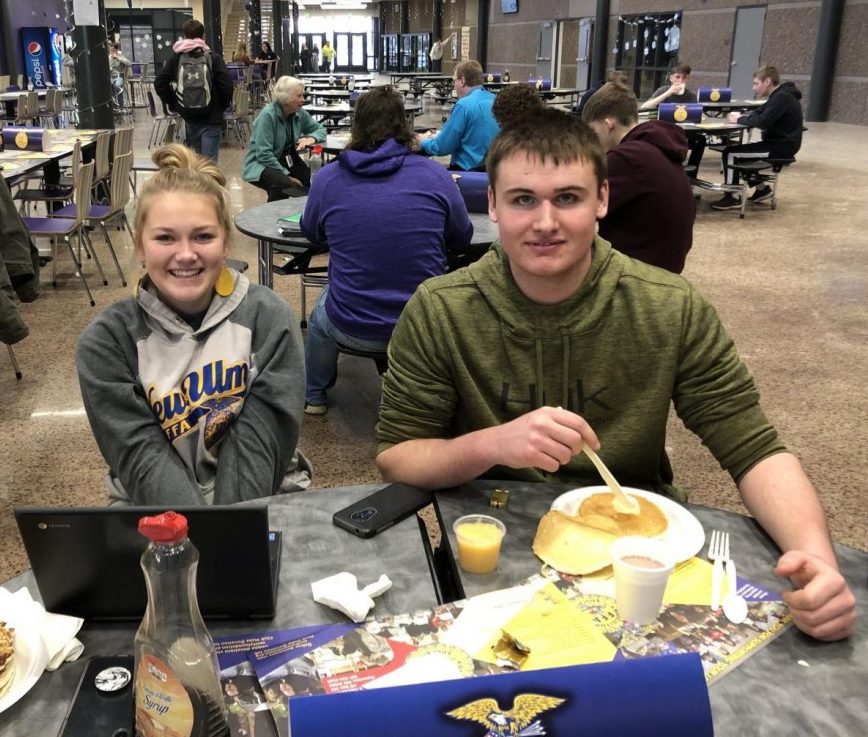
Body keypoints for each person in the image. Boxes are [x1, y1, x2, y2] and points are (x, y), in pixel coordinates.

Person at [374, 108, 856, 643]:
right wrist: (494, 443)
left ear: (602, 199)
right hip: (492, 549)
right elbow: (399, 456)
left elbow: (754, 447)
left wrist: (815, 560)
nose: (545, 222)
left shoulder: (668, 306)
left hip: (640, 555)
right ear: (492, 205)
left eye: (568, 197)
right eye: (522, 199)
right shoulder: (441, 309)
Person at [76, 144, 306, 505]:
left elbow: (261, 442)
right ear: (140, 247)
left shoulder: (268, 318)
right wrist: (194, 540)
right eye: (165, 237)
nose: (185, 254)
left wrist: (224, 540)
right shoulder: (107, 342)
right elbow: (141, 456)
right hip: (157, 509)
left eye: (203, 236)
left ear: (226, 242)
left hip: (256, 498)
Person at [299, 86, 473, 415]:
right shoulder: (437, 175)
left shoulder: (328, 178)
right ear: (404, 126)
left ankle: (314, 397)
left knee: (320, 317)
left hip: (351, 325)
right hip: (422, 328)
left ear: (356, 125)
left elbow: (311, 232)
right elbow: (461, 237)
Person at [582, 81, 694, 273]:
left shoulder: (626, 158)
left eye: (593, 132)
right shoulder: (655, 147)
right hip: (668, 262)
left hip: (638, 269)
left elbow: (581, 209)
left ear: (608, 124)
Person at [711, 65, 803, 211]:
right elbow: (759, 112)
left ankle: (732, 197)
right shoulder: (779, 95)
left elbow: (762, 121)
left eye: (756, 84)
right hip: (778, 143)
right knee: (743, 153)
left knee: (730, 153)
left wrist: (739, 119)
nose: (754, 88)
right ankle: (762, 189)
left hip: (780, 147)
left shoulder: (782, 97)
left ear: (767, 82)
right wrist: (743, 117)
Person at [154, 19, 234, 162]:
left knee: (195, 164)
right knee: (208, 167)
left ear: (184, 36)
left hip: (189, 117)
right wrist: (219, 107)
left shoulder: (176, 59)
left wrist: (175, 103)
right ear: (203, 36)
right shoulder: (213, 58)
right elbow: (227, 87)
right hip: (211, 118)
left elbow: (159, 82)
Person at [242, 75, 327, 201]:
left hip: (289, 158)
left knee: (315, 180)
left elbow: (320, 129)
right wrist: (287, 176)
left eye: (303, 95)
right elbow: (264, 154)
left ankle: (307, 214)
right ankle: (271, 218)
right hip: (262, 163)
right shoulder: (268, 116)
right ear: (286, 98)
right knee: (282, 184)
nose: (303, 100)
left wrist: (312, 138)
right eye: (299, 96)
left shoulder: (299, 112)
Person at [418, 60, 500, 171]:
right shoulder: (496, 100)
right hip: (493, 171)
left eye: (454, 81)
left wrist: (422, 140)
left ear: (462, 81)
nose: (453, 85)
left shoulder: (464, 105)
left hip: (467, 173)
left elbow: (442, 147)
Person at [109, 43, 131, 108]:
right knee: (109, 85)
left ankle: (120, 105)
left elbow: (129, 63)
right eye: (110, 51)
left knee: (117, 86)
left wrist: (118, 57)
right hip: (111, 77)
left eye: (113, 50)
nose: (112, 52)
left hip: (119, 76)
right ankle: (113, 105)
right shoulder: (109, 58)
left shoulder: (120, 56)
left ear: (116, 50)